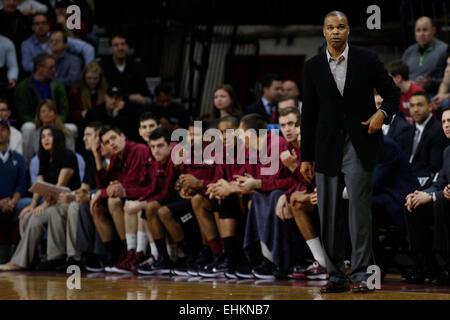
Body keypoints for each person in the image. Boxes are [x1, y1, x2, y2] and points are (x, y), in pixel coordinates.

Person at [300, 11, 399, 293]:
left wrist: (382, 113)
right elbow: (309, 115)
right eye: (330, 27)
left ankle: (362, 274)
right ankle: (335, 276)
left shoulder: (367, 59)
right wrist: (306, 155)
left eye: (341, 27)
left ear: (348, 31)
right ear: (323, 32)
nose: (335, 32)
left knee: (359, 210)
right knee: (328, 212)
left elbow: (392, 94)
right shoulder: (313, 66)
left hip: (360, 142)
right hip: (326, 146)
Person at [0, 126, 80, 271]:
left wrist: (43, 206)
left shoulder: (68, 156)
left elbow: (59, 187)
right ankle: (32, 258)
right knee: (26, 216)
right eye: (43, 136)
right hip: (51, 203)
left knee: (36, 219)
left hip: (67, 201)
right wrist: (33, 204)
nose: (46, 139)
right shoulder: (43, 158)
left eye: (49, 135)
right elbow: (39, 186)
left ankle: (18, 262)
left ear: (57, 138)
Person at [89, 125, 150, 272]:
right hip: (130, 196)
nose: (112, 143)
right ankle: (119, 253)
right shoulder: (116, 158)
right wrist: (98, 159)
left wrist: (103, 192)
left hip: (144, 195)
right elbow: (106, 185)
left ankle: (134, 252)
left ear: (122, 136)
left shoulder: (139, 150)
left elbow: (135, 185)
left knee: (114, 200)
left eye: (113, 138)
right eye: (107, 142)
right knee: (98, 205)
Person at [404, 107, 450, 285]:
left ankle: (447, 262)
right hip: (445, 199)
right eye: (444, 122)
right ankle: (426, 264)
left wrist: (434, 197)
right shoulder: (447, 152)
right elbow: (440, 183)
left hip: (446, 204)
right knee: (414, 206)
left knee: (441, 204)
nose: (446, 125)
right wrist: (421, 194)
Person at [14, 53, 69, 145]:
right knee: (28, 127)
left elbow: (64, 110)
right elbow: (23, 114)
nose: (54, 70)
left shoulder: (57, 85)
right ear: (39, 68)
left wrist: (56, 121)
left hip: (55, 122)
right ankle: (27, 159)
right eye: (51, 67)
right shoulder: (23, 87)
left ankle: (69, 158)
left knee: (72, 128)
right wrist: (41, 122)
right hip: (34, 123)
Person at [21, 12, 94, 73]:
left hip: (62, 77)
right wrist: (46, 63)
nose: (41, 26)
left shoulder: (57, 37)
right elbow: (27, 66)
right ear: (32, 27)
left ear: (48, 26)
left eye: (43, 23)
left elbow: (88, 49)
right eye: (37, 24)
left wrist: (88, 70)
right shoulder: (27, 44)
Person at [404, 92, 448, 189]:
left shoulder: (438, 130)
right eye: (412, 106)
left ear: (430, 107)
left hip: (425, 183)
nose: (415, 109)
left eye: (420, 105)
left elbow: (434, 167)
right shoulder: (409, 130)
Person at [0, 118, 27, 263]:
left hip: (15, 202)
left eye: (3, 129)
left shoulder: (18, 158)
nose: (0, 132)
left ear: (9, 133)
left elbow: (22, 185)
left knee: (30, 206)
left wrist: (13, 201)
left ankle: (25, 257)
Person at [100, 34, 150, 107]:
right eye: (116, 45)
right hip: (110, 104)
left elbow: (143, 91)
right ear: (111, 49)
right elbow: (105, 90)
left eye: (123, 44)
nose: (120, 48)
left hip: (132, 106)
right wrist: (128, 97)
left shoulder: (137, 66)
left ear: (127, 47)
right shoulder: (103, 65)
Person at [402, 16, 448, 94]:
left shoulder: (444, 50)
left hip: (433, 94)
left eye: (425, 30)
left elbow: (448, 79)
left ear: (433, 30)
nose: (421, 34)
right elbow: (399, 75)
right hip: (408, 95)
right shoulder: (409, 51)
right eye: (418, 30)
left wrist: (431, 82)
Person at [23, 99, 75, 166]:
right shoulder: (34, 134)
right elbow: (29, 158)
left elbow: (70, 154)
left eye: (50, 111)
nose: (46, 113)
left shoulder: (65, 131)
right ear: (39, 115)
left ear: (55, 114)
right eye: (43, 111)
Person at [386, 59, 425, 124]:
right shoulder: (399, 92)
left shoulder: (417, 91)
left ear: (398, 78)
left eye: (390, 78)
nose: (387, 82)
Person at [0, 0, 31, 64]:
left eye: (15, 0)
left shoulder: (25, 19)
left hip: (21, 59)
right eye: (8, 0)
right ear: (1, 1)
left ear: (19, 2)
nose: (12, 3)